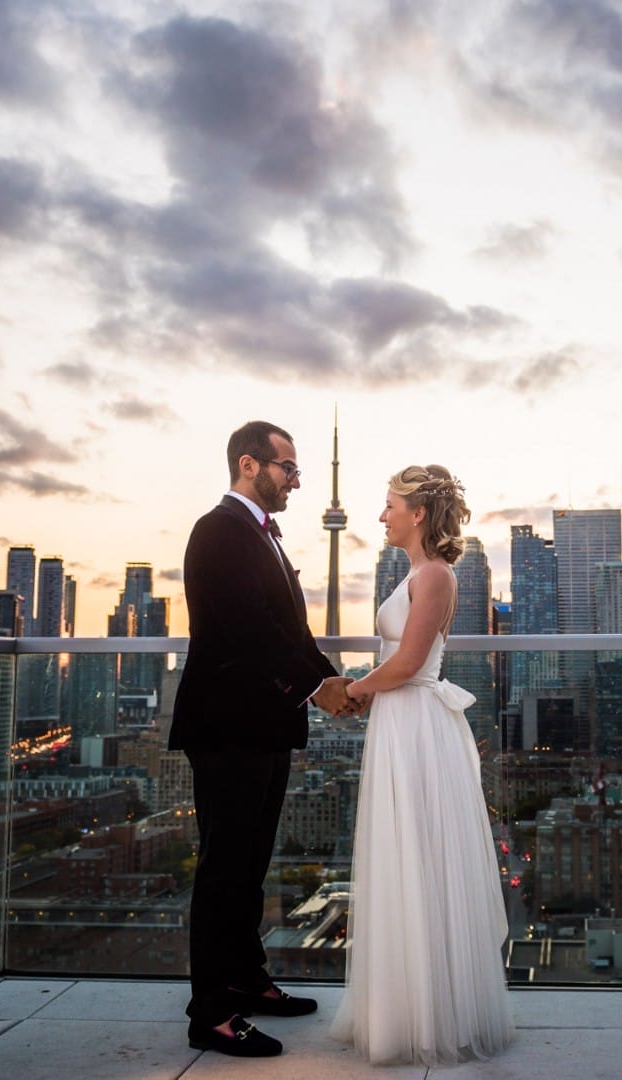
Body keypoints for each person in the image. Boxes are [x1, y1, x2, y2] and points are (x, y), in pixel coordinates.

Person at [169, 420, 357, 1058]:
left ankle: (247, 981)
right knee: (223, 869)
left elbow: (289, 630)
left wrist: (330, 684)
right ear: (249, 465)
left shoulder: (264, 536)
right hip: (227, 727)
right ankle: (211, 1013)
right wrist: (317, 688)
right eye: (288, 468)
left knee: (250, 867)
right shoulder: (218, 530)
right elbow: (246, 629)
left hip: (264, 725)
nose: (296, 481)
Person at [332, 465, 515, 1065]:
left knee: (421, 854)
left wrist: (352, 693)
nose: (381, 516)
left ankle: (430, 1013)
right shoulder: (416, 573)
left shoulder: (433, 574)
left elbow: (408, 663)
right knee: (404, 853)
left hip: (415, 723)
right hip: (399, 721)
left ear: (417, 514)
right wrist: (365, 696)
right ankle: (406, 1007)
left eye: (388, 506)